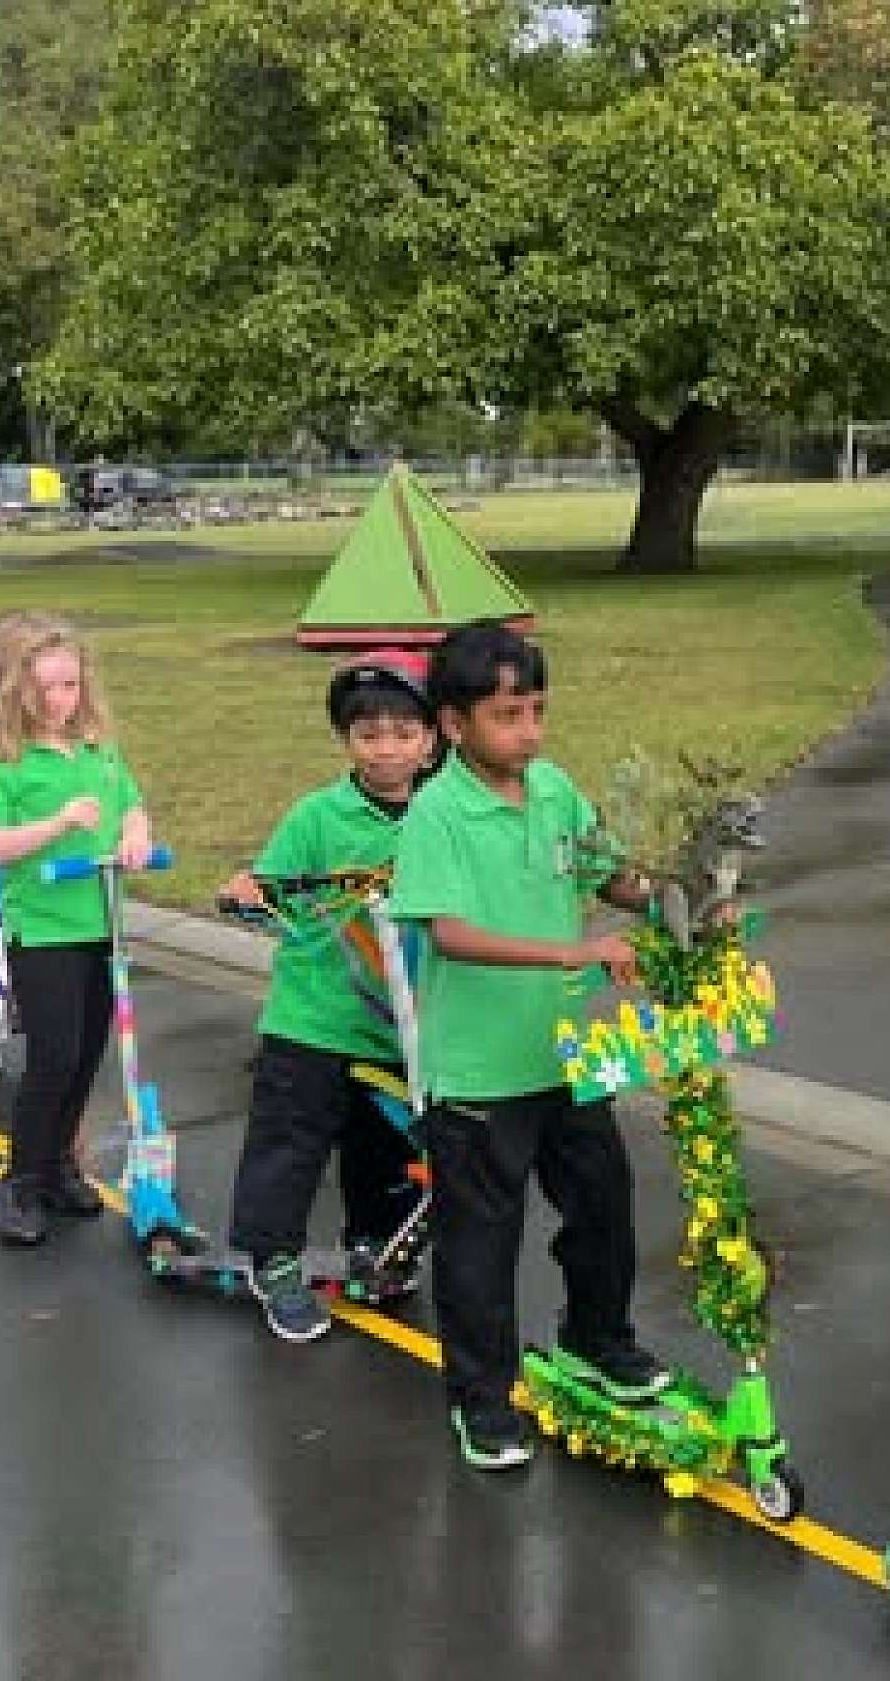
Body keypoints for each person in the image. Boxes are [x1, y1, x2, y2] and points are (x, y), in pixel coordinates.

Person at [390, 618, 667, 1472]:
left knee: (604, 1206)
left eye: (538, 710)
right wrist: (571, 953)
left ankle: (596, 1342)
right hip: (479, 1075)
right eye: (508, 715)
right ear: (453, 723)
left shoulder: (552, 789)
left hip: (563, 1060)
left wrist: (679, 896)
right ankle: (482, 1401)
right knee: (481, 1244)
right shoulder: (437, 813)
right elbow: (448, 931)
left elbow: (606, 873)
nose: (530, 732)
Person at [223, 650, 438, 1343]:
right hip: (313, 1016)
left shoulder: (442, 816)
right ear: (347, 740)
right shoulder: (319, 816)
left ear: (432, 738)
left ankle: (375, 1242)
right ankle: (274, 1262)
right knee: (290, 1142)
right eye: (368, 734)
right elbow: (267, 886)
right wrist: (249, 893)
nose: (387, 749)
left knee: (385, 1144)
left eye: (404, 733)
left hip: (399, 1020)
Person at [0, 615, 152, 1249]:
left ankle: (59, 1164)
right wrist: (57, 825)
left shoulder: (96, 749)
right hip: (44, 933)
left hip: (103, 925)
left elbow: (130, 802)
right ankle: (21, 1180)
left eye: (69, 685)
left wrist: (135, 834)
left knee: (88, 1054)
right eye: (42, 687)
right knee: (54, 1057)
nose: (58, 700)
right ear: (12, 689)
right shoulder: (3, 764)